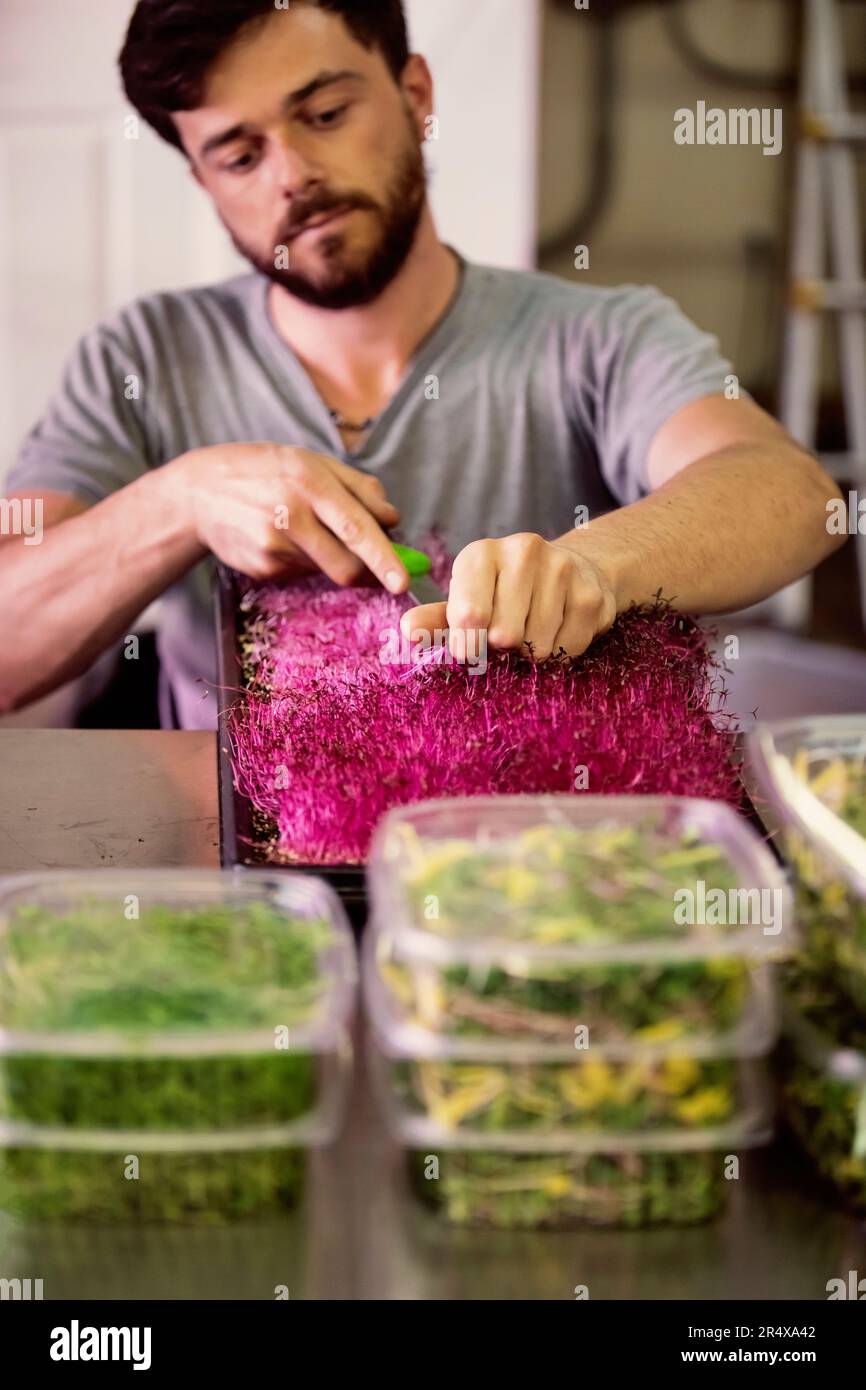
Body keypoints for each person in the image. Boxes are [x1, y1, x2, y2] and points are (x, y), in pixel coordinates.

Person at [0, 0, 843, 729]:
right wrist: (177, 500)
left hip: (533, 854)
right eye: (240, 155)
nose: (294, 176)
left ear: (415, 95)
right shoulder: (142, 357)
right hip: (249, 886)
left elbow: (791, 495)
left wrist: (594, 566)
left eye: (325, 114)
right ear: (202, 177)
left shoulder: (599, 335)